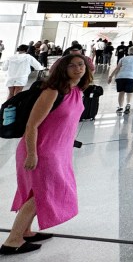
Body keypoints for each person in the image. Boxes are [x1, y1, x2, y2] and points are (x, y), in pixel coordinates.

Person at [2, 53, 91, 255]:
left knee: (38, 192)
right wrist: (32, 154)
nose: (78, 68)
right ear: (63, 69)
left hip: (59, 150)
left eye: (81, 65)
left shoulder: (76, 90)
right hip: (42, 151)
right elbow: (32, 125)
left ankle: (25, 231)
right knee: (42, 194)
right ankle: (12, 241)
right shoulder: (52, 91)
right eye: (72, 66)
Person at [107, 46, 133, 114]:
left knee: (121, 92)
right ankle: (128, 104)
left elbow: (117, 68)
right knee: (129, 92)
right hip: (131, 77)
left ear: (129, 51)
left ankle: (120, 107)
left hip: (120, 77)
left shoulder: (123, 58)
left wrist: (110, 76)